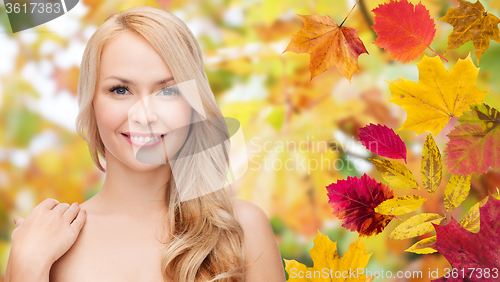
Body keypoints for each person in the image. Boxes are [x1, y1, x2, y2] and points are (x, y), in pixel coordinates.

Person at [5, 5, 286, 282]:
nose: (145, 115)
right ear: (92, 103)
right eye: (120, 90)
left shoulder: (243, 229)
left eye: (167, 91)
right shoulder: (48, 244)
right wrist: (25, 269)